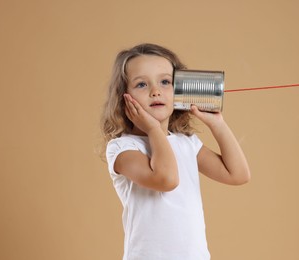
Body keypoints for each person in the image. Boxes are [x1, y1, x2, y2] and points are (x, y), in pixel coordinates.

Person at [100, 43, 250, 260]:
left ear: (179, 89)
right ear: (124, 98)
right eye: (142, 84)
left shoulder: (186, 144)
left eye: (165, 82)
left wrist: (217, 124)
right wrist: (153, 128)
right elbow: (167, 179)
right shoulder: (123, 149)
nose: (155, 91)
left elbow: (238, 174)